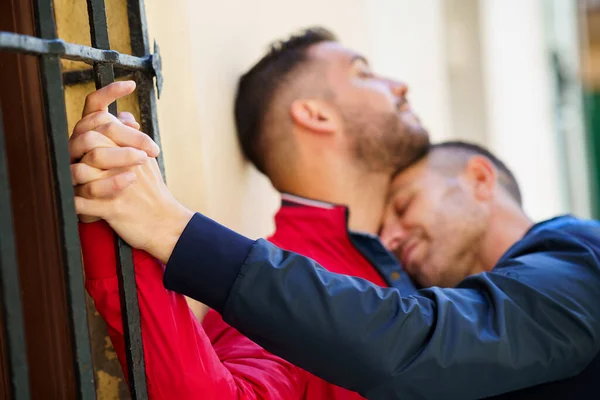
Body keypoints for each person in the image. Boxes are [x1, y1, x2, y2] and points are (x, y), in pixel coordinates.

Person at [72, 85, 600, 399]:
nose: (391, 236)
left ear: (480, 180)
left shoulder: (584, 255)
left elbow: (425, 342)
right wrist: (119, 211)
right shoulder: (309, 284)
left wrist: (171, 230)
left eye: (406, 203)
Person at [77, 27, 428, 400]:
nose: (400, 85)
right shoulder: (275, 285)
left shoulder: (416, 253)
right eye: (364, 73)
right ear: (315, 114)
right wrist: (112, 198)